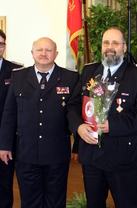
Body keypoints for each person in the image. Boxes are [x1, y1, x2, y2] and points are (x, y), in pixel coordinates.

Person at [67, 27, 137, 208]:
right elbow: (73, 105)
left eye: (115, 43)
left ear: (124, 47)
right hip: (91, 156)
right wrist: (78, 127)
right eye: (106, 43)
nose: (110, 47)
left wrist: (112, 125)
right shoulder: (89, 71)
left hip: (121, 157)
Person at [0, 37, 79, 208]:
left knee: (55, 202)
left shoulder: (70, 78)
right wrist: (4, 145)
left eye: (48, 50)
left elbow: (76, 114)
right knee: (29, 202)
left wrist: (78, 146)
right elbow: (9, 114)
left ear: (56, 54)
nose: (44, 54)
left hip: (57, 154)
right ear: (32, 53)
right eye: (39, 50)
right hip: (26, 153)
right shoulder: (19, 76)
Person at [0, 29, 23, 208]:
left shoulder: (16, 71)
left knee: (5, 182)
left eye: (0, 44)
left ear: (4, 46)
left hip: (6, 137)